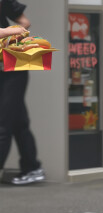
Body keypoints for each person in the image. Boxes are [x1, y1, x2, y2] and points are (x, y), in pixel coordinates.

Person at [0, 0, 45, 185]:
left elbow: (24, 26)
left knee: (3, 124)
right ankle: (32, 167)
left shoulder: (7, 2)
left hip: (12, 69)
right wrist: (6, 32)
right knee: (18, 121)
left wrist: (5, 33)